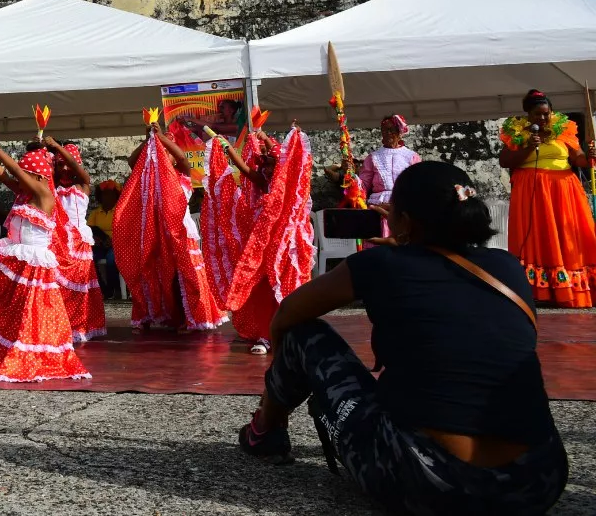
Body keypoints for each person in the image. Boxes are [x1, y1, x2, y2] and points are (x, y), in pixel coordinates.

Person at [238, 161, 568, 515]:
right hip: (537, 482)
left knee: (305, 333)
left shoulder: (379, 263)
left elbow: (287, 315)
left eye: (391, 208)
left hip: (434, 484)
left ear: (407, 220)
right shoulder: (507, 266)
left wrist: (396, 253)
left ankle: (266, 430)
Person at [0, 138, 90, 382]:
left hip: (34, 267)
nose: (23, 182)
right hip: (18, 261)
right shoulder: (26, 194)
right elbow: (5, 176)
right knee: (14, 311)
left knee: (31, 314)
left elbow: (15, 172)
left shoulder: (44, 194)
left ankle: (32, 354)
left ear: (41, 178)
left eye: (29, 176)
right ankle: (13, 349)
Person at [198, 124, 314, 354]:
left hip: (284, 249)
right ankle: (265, 335)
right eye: (267, 166)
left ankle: (289, 334)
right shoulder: (263, 183)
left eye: (272, 166)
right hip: (261, 248)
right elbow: (244, 170)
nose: (268, 170)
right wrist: (228, 149)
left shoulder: (288, 189)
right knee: (262, 291)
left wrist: (267, 139)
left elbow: (285, 159)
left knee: (285, 290)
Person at [116, 122, 225, 332]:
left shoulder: (182, 174)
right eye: (160, 152)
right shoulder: (148, 176)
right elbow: (132, 161)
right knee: (152, 272)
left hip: (179, 232)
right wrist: (148, 139)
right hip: (154, 232)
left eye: (167, 152)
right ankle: (155, 315)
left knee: (182, 276)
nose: (163, 154)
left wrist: (163, 139)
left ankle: (188, 317)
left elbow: (183, 158)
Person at [500, 89, 596, 307]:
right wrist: (528, 147)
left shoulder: (564, 130)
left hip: (563, 190)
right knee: (538, 235)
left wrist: (590, 156)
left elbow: (578, 160)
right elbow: (505, 161)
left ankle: (571, 289)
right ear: (528, 114)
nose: (542, 118)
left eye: (546, 114)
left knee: (566, 233)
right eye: (537, 114)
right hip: (531, 190)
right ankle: (539, 291)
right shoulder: (516, 132)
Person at [45, 137, 106, 341]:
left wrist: (57, 147)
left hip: (79, 242)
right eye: (59, 164)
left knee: (80, 287)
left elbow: (78, 170)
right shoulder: (51, 188)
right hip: (57, 242)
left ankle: (80, 327)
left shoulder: (83, 185)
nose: (63, 168)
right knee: (59, 287)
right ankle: (61, 327)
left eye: (67, 163)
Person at [358, 114, 422, 238]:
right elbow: (363, 185)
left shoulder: (411, 156)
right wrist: (351, 178)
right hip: (378, 207)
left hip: (402, 206)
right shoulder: (373, 157)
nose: (387, 134)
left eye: (390, 130)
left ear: (399, 132)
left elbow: (418, 184)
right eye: (384, 131)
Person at [86, 180, 121, 298]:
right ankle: (102, 289)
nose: (107, 197)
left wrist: (111, 241)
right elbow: (90, 229)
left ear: (116, 196)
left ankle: (116, 288)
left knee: (111, 260)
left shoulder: (120, 211)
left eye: (110, 194)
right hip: (100, 245)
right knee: (89, 259)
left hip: (116, 244)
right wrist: (99, 239)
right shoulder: (95, 213)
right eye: (104, 194)